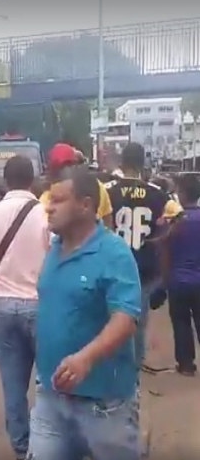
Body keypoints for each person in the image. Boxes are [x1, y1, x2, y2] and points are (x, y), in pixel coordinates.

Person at [31, 166, 141, 460]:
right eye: (49, 200)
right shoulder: (54, 248)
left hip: (104, 404)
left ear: (86, 205)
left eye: (58, 200)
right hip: (50, 396)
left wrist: (85, 358)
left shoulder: (114, 253)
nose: (48, 208)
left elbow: (125, 318)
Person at [0, 155, 48, 459]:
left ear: (5, 180)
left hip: (2, 307)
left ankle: (21, 446)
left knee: (13, 384)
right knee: (47, 381)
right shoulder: (46, 214)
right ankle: (47, 444)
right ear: (33, 179)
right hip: (41, 305)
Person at [104, 142, 173, 368]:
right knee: (137, 317)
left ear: (122, 163)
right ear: (143, 164)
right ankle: (135, 363)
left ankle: (112, 358)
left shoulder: (107, 191)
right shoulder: (158, 193)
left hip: (113, 263)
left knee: (110, 314)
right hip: (143, 265)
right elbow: (176, 219)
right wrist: (159, 240)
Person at [160, 173, 200, 376]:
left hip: (178, 281)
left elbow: (165, 251)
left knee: (181, 322)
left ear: (182, 194)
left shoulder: (176, 222)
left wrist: (164, 279)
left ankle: (186, 365)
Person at [39, 143, 113, 227]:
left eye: (68, 165)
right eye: (62, 167)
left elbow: (107, 219)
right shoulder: (97, 185)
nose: (66, 171)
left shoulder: (97, 186)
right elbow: (108, 221)